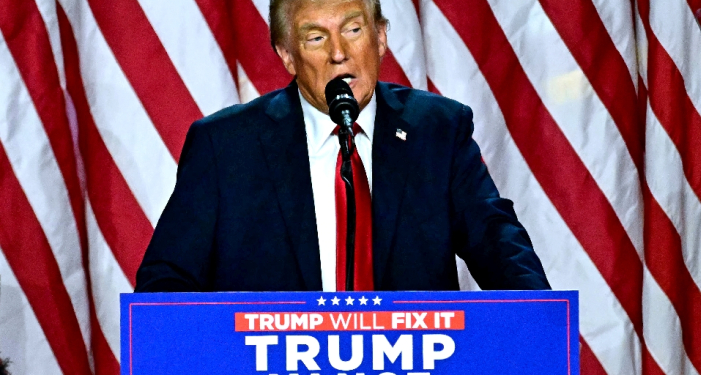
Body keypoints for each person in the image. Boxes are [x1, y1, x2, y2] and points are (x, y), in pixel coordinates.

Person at [135, 0, 550, 292]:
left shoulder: (437, 132)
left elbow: (498, 245)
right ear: (287, 56)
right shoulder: (226, 148)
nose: (339, 53)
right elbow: (166, 281)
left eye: (353, 30)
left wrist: (537, 324)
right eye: (315, 38)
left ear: (381, 37)